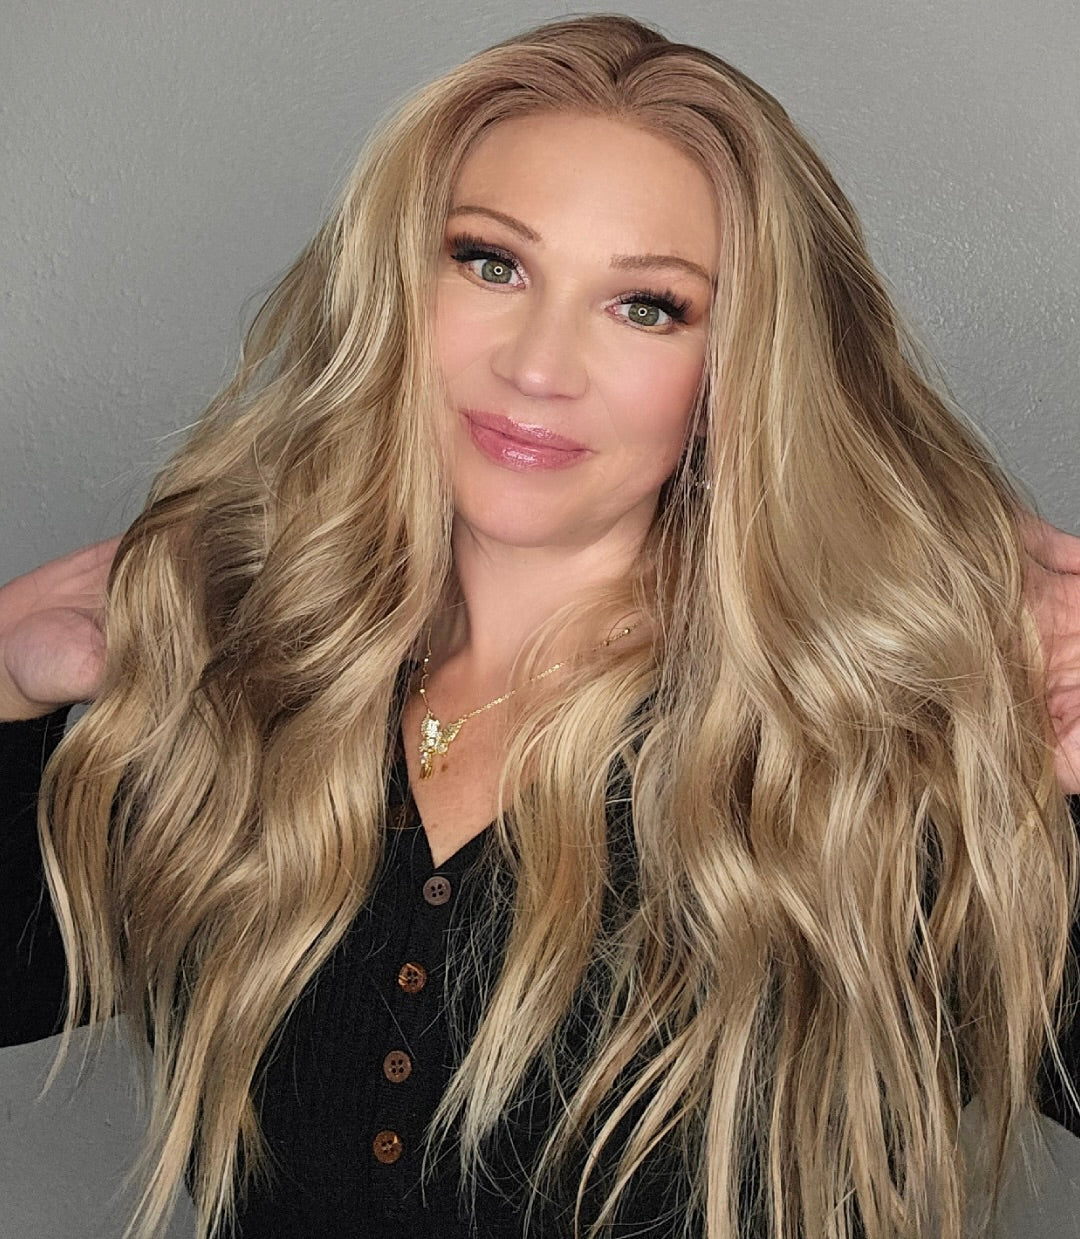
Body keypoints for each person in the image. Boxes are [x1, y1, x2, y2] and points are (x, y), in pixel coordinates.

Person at [2, 13, 1079, 1239]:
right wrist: (8, 678)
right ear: (399, 284)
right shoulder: (262, 671)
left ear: (742, 364)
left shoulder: (861, 748)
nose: (538, 367)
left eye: (648, 307)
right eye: (492, 263)